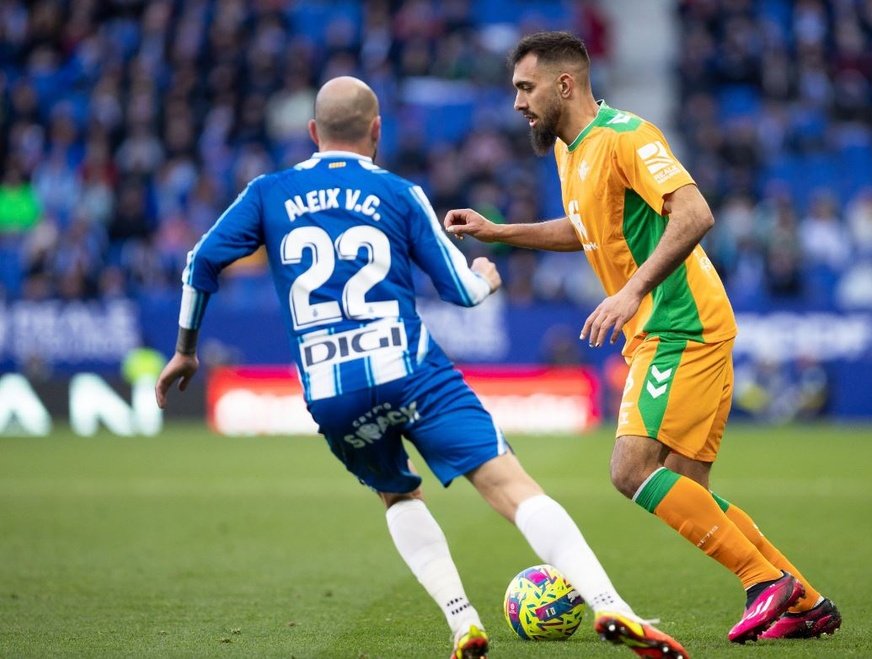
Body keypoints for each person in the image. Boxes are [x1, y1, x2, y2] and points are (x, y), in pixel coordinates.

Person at [154, 76, 688, 659]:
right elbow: (459, 290)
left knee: (398, 495)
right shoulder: (399, 193)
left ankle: (462, 622)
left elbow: (198, 261)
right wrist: (485, 278)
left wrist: (185, 348)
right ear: (377, 132)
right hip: (409, 369)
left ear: (312, 132)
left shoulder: (266, 193)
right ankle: (610, 604)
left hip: (331, 390)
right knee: (509, 485)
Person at [444, 32, 841, 644]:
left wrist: (631, 291)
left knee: (631, 469)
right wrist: (500, 232)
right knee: (687, 488)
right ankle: (804, 601)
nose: (518, 103)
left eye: (526, 88)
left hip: (679, 323)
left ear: (565, 84)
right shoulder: (568, 150)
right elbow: (584, 228)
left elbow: (695, 213)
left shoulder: (628, 136)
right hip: (670, 327)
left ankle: (766, 583)